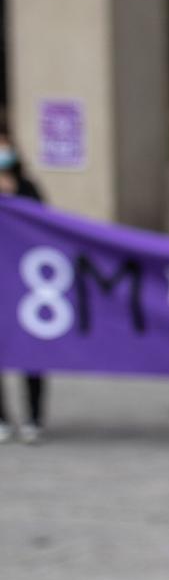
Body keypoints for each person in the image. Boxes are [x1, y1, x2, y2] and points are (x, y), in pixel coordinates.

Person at [0, 128, 47, 444]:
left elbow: (47, 227)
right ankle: (2, 418)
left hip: (27, 284)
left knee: (32, 351)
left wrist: (14, 196)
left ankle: (34, 417)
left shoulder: (28, 186)